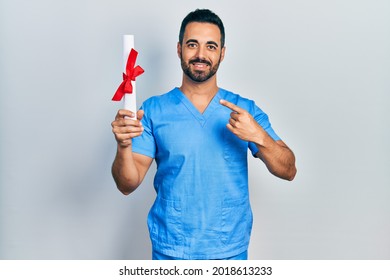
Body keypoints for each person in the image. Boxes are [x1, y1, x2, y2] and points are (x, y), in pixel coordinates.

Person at [111, 9, 297, 260]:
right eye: (192, 44)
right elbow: (127, 184)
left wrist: (258, 136)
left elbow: (288, 170)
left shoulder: (245, 110)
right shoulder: (154, 111)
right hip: (172, 253)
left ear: (222, 53)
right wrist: (123, 146)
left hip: (229, 253)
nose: (200, 54)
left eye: (211, 46)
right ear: (179, 49)